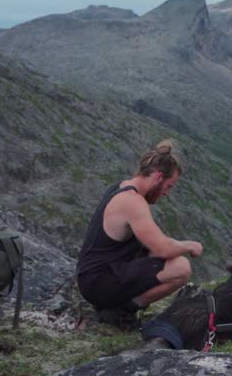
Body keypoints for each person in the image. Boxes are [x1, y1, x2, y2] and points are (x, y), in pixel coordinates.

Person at [77, 139, 203, 329]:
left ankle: (115, 307)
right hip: (98, 282)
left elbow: (153, 244)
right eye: (169, 186)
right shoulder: (132, 201)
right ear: (159, 177)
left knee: (156, 255)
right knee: (181, 268)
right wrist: (191, 245)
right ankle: (120, 312)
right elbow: (163, 249)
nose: (167, 193)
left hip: (92, 277)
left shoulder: (120, 187)